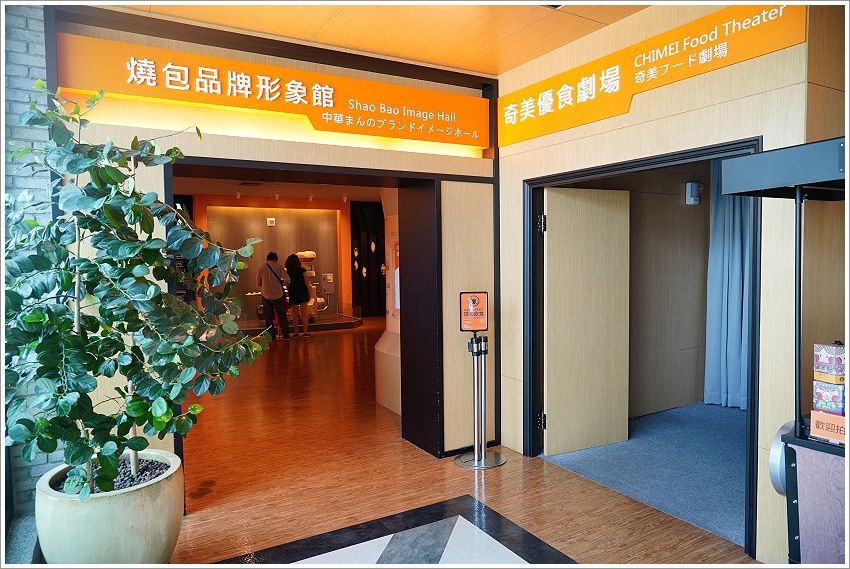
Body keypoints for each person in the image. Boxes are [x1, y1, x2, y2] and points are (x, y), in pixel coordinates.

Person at [256, 252, 291, 341]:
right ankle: (286, 336)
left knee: (268, 318)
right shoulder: (279, 267)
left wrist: (265, 284)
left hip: (266, 295)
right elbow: (287, 279)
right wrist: (283, 283)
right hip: (278, 295)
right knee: (282, 316)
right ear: (276, 259)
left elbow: (258, 282)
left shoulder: (261, 267)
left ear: (267, 259)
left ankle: (271, 337)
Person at [284, 253, 313, 337]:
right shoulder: (302, 270)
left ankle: (296, 333)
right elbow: (307, 282)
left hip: (293, 293)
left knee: (295, 314)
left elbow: (287, 284)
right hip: (303, 292)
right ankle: (305, 332)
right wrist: (310, 292)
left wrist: (289, 291)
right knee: (304, 314)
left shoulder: (288, 272)